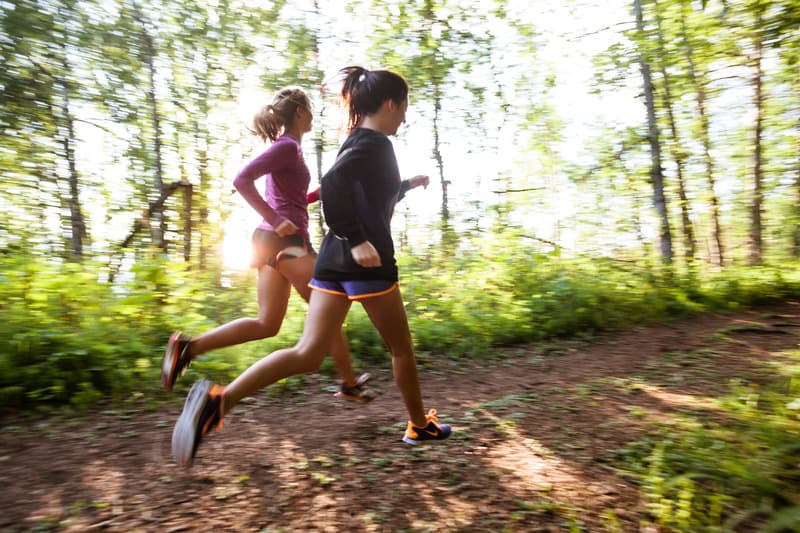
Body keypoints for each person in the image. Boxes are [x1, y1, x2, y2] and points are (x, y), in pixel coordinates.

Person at [171, 66, 452, 467]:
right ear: (390, 104)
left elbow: (370, 198)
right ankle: (418, 425)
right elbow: (335, 184)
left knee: (307, 352)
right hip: (365, 263)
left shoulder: (356, 141)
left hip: (333, 263)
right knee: (402, 350)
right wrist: (358, 241)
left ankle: (218, 402)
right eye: (404, 108)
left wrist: (406, 185)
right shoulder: (375, 144)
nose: (404, 117)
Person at [161, 86, 373, 403]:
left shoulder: (289, 149)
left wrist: (319, 194)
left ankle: (188, 348)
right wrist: (275, 220)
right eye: (311, 109)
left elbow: (292, 200)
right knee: (328, 304)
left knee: (267, 323)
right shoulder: (287, 146)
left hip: (271, 241)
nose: (313, 115)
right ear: (300, 112)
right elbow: (241, 180)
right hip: (283, 240)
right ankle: (349, 383)